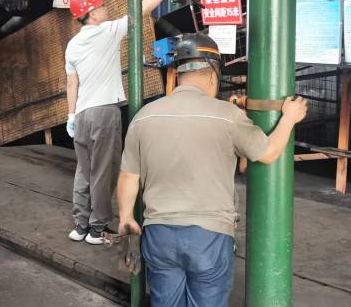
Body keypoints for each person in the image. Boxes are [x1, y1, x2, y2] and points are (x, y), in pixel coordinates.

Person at [115, 33, 308, 306]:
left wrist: (126, 217)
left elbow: (128, 176)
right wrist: (289, 118)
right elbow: (268, 153)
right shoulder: (228, 116)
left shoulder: (143, 117)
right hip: (209, 236)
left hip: (158, 234)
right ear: (213, 74)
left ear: (178, 74)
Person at [64, 0, 186, 245]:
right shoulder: (106, 31)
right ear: (92, 15)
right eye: (101, 6)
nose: (105, 8)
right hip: (103, 113)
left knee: (83, 172)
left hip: (81, 115)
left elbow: (72, 84)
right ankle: (97, 230)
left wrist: (70, 115)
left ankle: (80, 225)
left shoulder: (72, 45)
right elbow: (139, 11)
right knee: (103, 173)